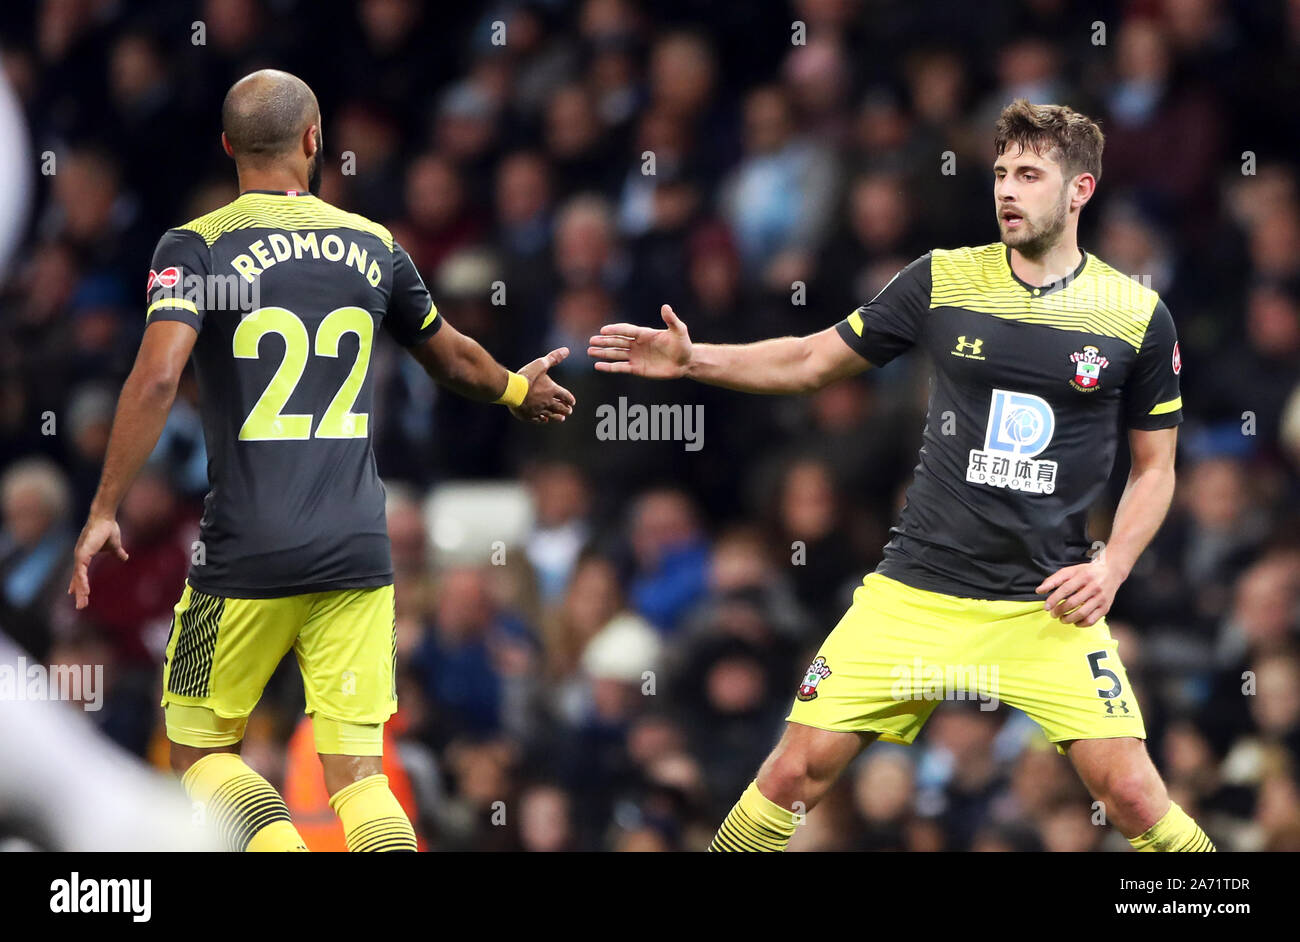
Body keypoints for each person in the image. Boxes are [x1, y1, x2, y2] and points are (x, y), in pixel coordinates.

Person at [590, 99, 1213, 852]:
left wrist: (1112, 565)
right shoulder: (942, 281)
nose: (1007, 191)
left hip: (1042, 608)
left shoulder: (1137, 316)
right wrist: (695, 359)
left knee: (1133, 797)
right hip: (915, 593)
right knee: (792, 776)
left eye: (1029, 174)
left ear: (1080, 189)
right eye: (1000, 174)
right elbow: (811, 359)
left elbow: (1156, 470)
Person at [67, 69, 575, 852]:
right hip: (357, 548)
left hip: (245, 548)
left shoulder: (195, 246)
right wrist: (515, 389)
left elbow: (160, 374)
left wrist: (104, 508)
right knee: (359, 773)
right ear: (314, 140)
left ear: (228, 146)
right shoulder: (374, 246)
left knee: (196, 745)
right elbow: (450, 358)